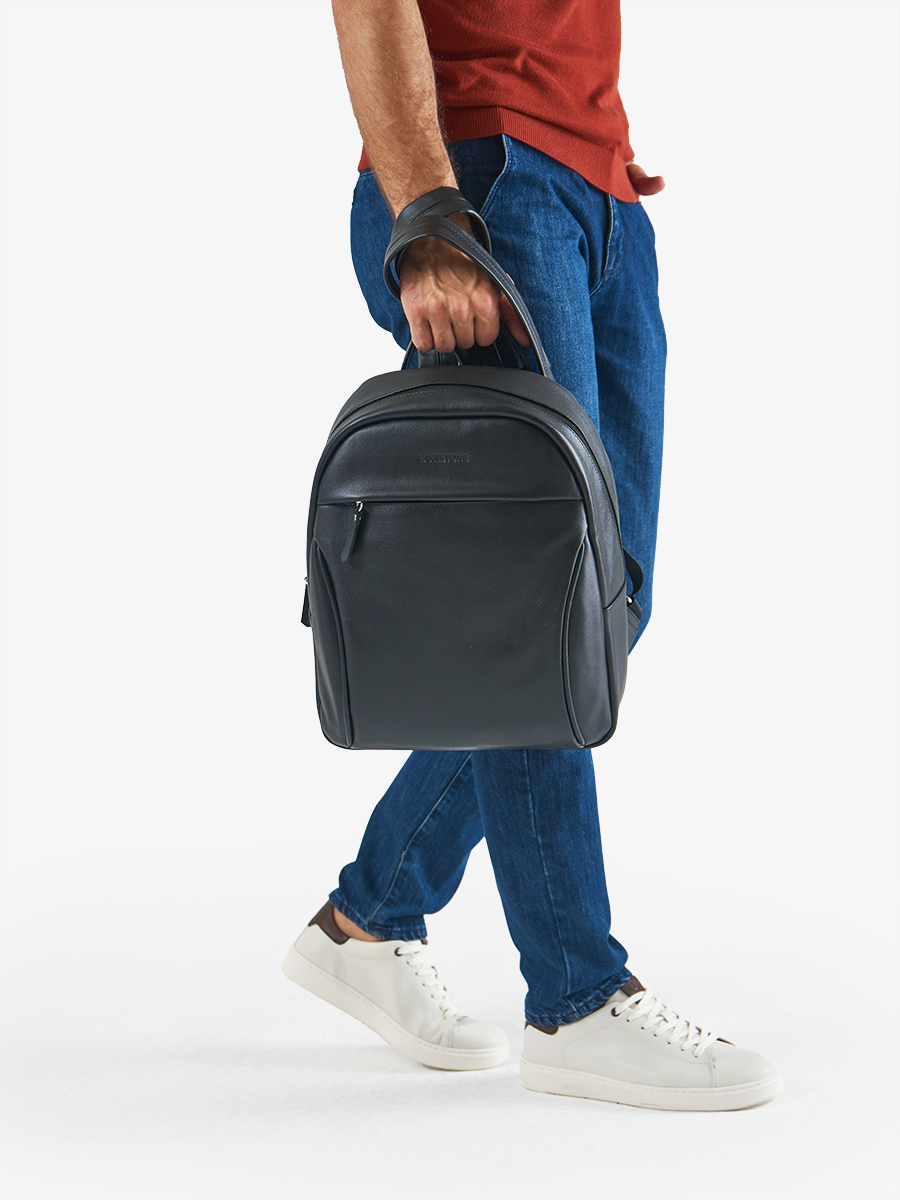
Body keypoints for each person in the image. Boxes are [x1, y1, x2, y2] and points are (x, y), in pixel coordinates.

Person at [282, 0, 783, 1111]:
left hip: (595, 183)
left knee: (604, 604)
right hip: (486, 177)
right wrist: (426, 208)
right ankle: (575, 997)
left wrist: (594, 155)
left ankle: (371, 915)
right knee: (536, 588)